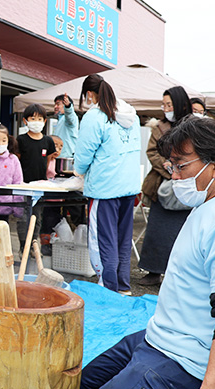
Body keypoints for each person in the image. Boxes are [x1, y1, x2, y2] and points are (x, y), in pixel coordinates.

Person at [80, 116, 215, 389]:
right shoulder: (207, 203)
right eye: (171, 166)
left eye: (181, 165)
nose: (174, 176)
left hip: (188, 364)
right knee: (82, 384)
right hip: (158, 337)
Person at [74, 74, 141, 294]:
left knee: (104, 241)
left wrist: (78, 172)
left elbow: (84, 154)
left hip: (105, 188)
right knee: (122, 239)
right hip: (129, 186)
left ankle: (108, 289)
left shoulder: (95, 116)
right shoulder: (132, 115)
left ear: (90, 94)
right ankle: (122, 286)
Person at [138, 86, 193, 286]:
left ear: (180, 104)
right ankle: (153, 271)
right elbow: (152, 152)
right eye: (163, 104)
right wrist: (170, 169)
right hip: (163, 186)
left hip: (188, 187)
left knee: (183, 234)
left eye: (169, 104)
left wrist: (183, 171)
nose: (165, 108)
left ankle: (179, 275)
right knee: (156, 231)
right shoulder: (158, 127)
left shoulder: (194, 126)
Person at [16, 103, 57, 251]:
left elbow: (48, 161)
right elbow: (17, 160)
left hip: (40, 186)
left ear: (45, 121)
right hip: (24, 185)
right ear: (25, 121)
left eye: (40, 118)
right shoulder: (21, 140)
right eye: (33, 118)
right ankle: (23, 247)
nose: (36, 121)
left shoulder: (48, 141)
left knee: (37, 217)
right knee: (23, 218)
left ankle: (33, 245)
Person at [0, 123, 24, 222]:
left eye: (4, 140)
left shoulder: (13, 159)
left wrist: (17, 209)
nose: (0, 143)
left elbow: (18, 183)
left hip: (4, 207)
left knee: (1, 235)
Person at [52, 93, 79, 158]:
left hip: (67, 157)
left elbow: (70, 115)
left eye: (58, 104)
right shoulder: (60, 119)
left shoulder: (70, 118)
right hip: (60, 156)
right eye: (55, 104)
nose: (55, 107)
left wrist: (68, 107)